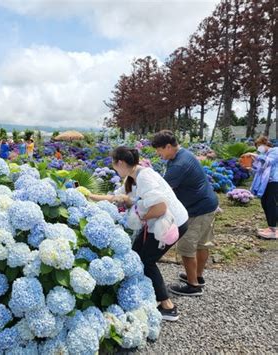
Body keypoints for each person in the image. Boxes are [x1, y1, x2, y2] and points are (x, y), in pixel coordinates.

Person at [89, 146, 189, 321]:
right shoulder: (133, 176)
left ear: (119, 162)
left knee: (146, 261)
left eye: (113, 164)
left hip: (171, 224)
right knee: (134, 254)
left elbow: (160, 208)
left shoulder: (145, 177)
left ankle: (168, 307)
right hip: (158, 223)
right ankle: (143, 294)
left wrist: (139, 216)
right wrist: (89, 196)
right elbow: (117, 197)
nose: (113, 168)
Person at [151, 130, 218, 297]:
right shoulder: (183, 155)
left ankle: (193, 285)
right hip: (208, 204)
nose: (158, 154)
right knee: (202, 243)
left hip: (198, 209)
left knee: (186, 246)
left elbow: (162, 191)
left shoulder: (179, 165)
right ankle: (198, 276)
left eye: (159, 150)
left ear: (168, 146)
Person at [249, 136, 278, 240]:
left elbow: (269, 162)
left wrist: (256, 156)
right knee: (264, 202)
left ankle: (273, 230)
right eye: (257, 146)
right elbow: (260, 169)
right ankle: (271, 227)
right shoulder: (263, 154)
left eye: (259, 145)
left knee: (271, 202)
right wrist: (251, 167)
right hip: (266, 182)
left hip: (274, 180)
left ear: (266, 143)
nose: (258, 148)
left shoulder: (275, 150)